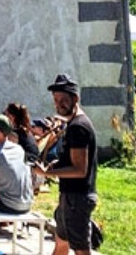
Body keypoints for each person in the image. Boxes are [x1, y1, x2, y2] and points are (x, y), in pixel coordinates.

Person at [33, 74, 98, 255]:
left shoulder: (78, 127)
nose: (58, 104)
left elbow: (79, 169)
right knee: (61, 243)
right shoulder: (73, 124)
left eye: (63, 100)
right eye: (56, 100)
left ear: (75, 99)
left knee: (80, 250)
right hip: (70, 197)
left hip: (77, 198)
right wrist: (58, 164)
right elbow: (73, 161)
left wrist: (46, 173)